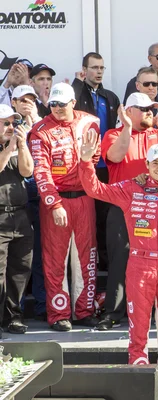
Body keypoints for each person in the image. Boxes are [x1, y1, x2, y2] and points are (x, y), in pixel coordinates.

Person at [79, 135, 158, 400]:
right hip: (139, 264)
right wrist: (86, 162)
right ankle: (140, 384)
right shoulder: (131, 188)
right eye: (155, 163)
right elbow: (95, 189)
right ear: (147, 164)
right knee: (138, 330)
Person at [97, 93, 158, 331]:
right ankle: (113, 312)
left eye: (151, 110)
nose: (148, 114)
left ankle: (151, 313)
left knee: (154, 261)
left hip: (154, 207)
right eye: (142, 109)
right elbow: (115, 156)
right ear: (129, 110)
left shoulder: (157, 133)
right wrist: (125, 126)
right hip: (123, 205)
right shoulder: (114, 134)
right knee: (120, 259)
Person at [29, 82, 101, 331]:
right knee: (55, 259)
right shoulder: (40, 130)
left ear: (73, 102)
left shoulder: (90, 122)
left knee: (86, 257)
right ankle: (58, 313)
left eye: (62, 103)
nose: (58, 108)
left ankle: (84, 311)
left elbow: (94, 159)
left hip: (84, 198)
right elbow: (41, 171)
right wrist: (54, 203)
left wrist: (85, 160)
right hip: (56, 201)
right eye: (53, 104)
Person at [72, 51, 121, 273]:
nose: (99, 72)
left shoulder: (110, 97)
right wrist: (77, 83)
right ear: (84, 69)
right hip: (83, 165)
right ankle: (87, 266)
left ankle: (107, 265)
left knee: (105, 217)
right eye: (94, 68)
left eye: (101, 68)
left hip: (107, 167)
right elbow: (68, 112)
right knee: (87, 218)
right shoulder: (77, 92)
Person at [11, 85, 45, 320]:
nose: (26, 103)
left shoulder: (44, 123)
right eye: (21, 99)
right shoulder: (6, 125)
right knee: (15, 259)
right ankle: (15, 309)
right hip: (14, 197)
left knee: (42, 254)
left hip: (40, 193)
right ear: (13, 102)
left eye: (30, 99)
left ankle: (44, 306)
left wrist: (35, 123)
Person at [0, 105, 34, 337]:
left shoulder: (17, 145)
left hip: (20, 216)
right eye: (6, 123)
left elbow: (28, 170)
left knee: (21, 268)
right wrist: (10, 147)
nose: (11, 127)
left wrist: (21, 147)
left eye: (13, 123)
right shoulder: (7, 148)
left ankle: (13, 316)